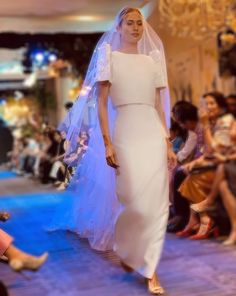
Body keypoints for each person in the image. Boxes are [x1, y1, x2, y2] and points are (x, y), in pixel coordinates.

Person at [52, 7, 175, 295]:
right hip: (125, 133)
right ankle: (130, 250)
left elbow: (159, 106)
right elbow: (102, 103)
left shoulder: (152, 59)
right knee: (133, 201)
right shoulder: (110, 57)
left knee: (156, 204)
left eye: (139, 23)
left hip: (152, 132)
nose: (135, 28)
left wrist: (168, 142)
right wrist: (107, 142)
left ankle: (151, 270)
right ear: (119, 28)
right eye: (129, 23)